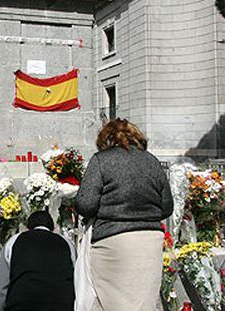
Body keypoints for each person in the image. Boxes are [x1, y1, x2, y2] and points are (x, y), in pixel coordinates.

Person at [75, 118, 173, 311]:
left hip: (113, 242)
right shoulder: (152, 161)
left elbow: (85, 204)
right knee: (143, 304)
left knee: (110, 302)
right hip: (149, 242)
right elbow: (167, 207)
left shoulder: (101, 160)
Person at [0, 211, 76, 311]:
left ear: (27, 229)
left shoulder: (14, 241)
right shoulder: (67, 243)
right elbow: (76, 278)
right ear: (53, 229)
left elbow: (0, 288)